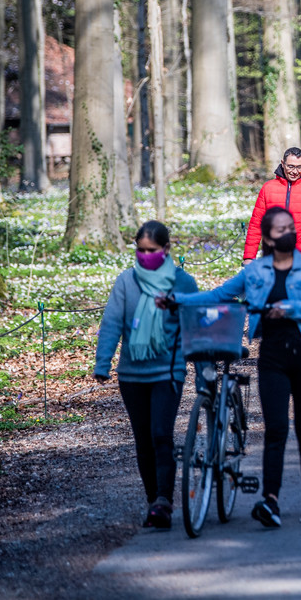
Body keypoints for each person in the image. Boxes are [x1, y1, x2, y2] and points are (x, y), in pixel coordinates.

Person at [179, 206, 301, 528]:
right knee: (276, 428)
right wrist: (176, 300)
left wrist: (289, 308)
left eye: (291, 227)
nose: (288, 233)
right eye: (281, 229)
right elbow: (220, 294)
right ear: (268, 237)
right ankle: (271, 501)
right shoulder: (256, 271)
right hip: (273, 356)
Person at [94, 221, 201, 530]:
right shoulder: (126, 281)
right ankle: (153, 500)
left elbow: (193, 328)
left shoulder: (183, 283)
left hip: (167, 371)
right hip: (131, 374)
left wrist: (196, 364)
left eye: (151, 250)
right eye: (139, 250)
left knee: (160, 435)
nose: (144, 255)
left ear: (166, 249)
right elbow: (112, 322)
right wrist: (103, 363)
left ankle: (164, 501)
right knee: (143, 440)